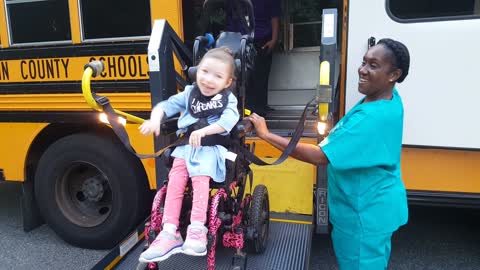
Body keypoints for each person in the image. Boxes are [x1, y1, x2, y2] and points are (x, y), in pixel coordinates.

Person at [247, 38, 410, 269]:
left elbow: (318, 156)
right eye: (364, 62)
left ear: (393, 75)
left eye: (373, 66)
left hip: (363, 215)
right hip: (376, 205)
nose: (362, 70)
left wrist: (266, 135)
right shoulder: (388, 101)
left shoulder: (371, 117)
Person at [138, 47, 240, 262]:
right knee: (175, 181)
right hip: (186, 149)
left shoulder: (228, 99)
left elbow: (229, 121)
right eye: (205, 72)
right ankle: (169, 231)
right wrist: (155, 118)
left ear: (227, 82)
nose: (209, 80)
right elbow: (167, 105)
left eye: (217, 76)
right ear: (197, 71)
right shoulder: (189, 94)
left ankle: (197, 229)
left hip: (211, 149)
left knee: (200, 179)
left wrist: (204, 131)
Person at [225, 0, 281, 115]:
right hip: (239, 42)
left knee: (262, 75)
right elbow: (231, 21)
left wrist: (274, 39)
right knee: (243, 76)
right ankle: (246, 110)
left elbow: (274, 18)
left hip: (262, 40)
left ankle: (261, 110)